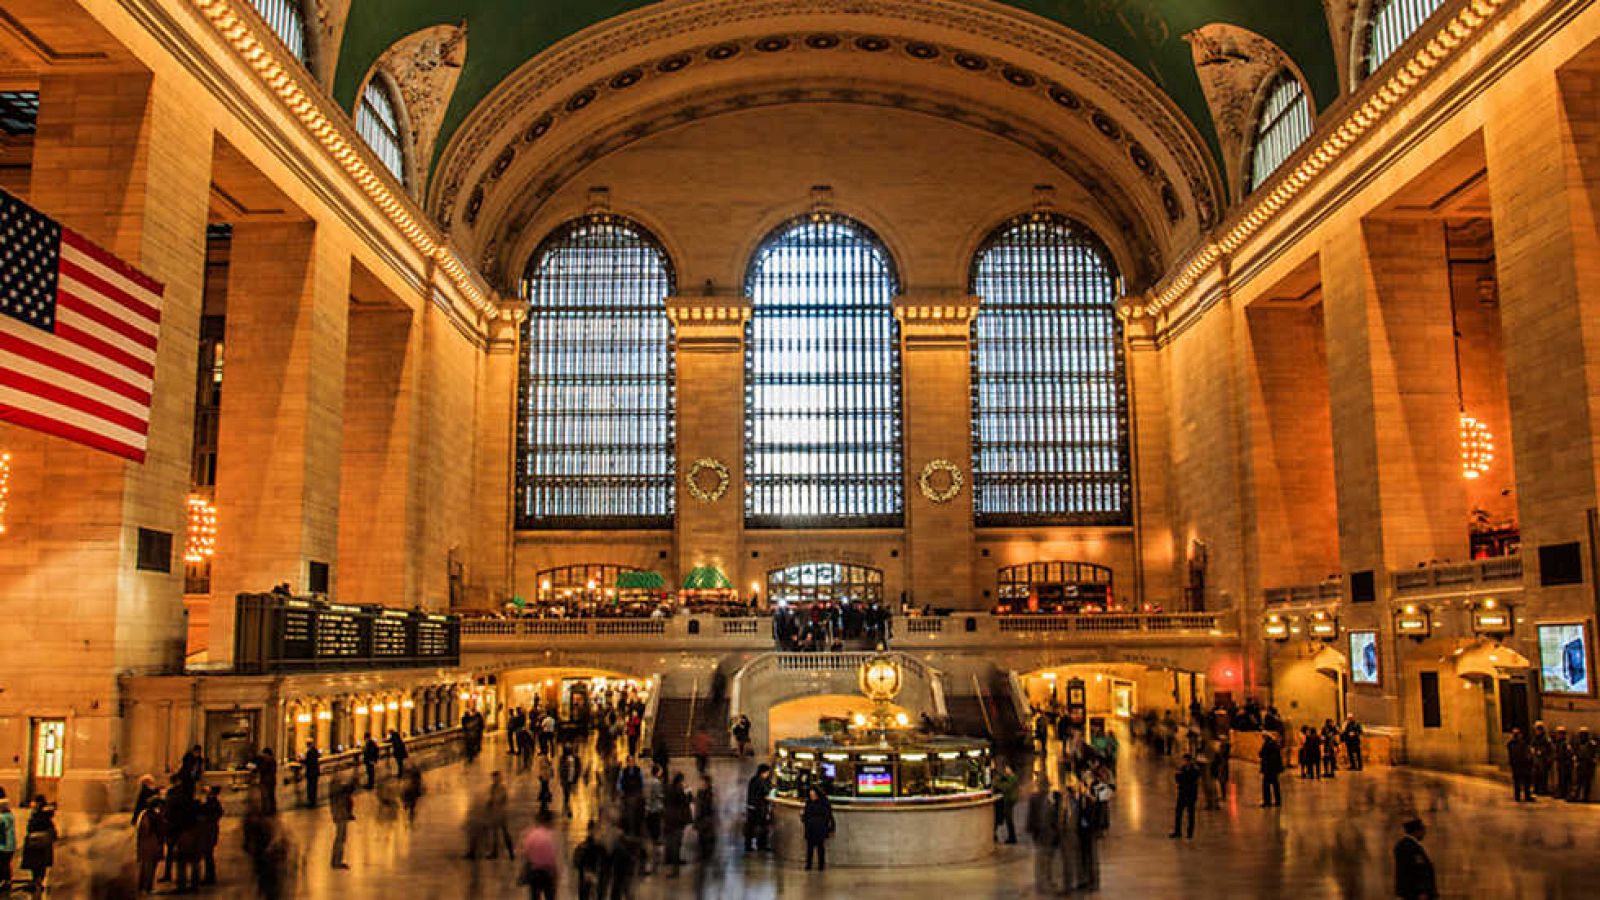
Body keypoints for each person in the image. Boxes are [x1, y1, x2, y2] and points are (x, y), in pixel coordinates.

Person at [1024, 779, 1058, 894]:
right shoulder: (1035, 798)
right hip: (1040, 833)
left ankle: (1048, 879)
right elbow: (1031, 816)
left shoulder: (1051, 798)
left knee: (1048, 858)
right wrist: (1031, 831)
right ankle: (1041, 882)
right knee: (1041, 859)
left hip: (1050, 833)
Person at [519, 812, 561, 900]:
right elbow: (553, 857)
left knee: (534, 896)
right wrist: (556, 874)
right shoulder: (552, 836)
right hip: (548, 873)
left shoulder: (531, 835)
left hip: (535, 872)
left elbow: (525, 852)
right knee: (550, 896)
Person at [1393, 817, 1436, 900]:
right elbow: (1414, 870)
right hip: (1414, 894)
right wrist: (1421, 891)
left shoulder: (1412, 845)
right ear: (1416, 831)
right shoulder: (1407, 846)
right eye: (1423, 830)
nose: (1424, 833)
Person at [20, 796, 56, 893]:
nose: (32, 803)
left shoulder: (38, 815)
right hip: (43, 845)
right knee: (41, 865)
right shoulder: (47, 816)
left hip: (35, 843)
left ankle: (36, 881)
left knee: (35, 864)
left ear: (38, 803)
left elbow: (31, 828)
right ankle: (38, 881)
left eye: (34, 801)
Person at [663, 772, 692, 877]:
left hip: (668, 819)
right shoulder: (679, 790)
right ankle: (675, 870)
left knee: (670, 842)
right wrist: (688, 791)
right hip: (678, 820)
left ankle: (669, 860)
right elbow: (687, 801)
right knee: (676, 844)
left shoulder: (668, 788)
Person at [134, 795, 166, 894]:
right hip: (151, 844)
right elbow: (151, 830)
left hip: (147, 844)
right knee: (149, 867)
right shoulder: (151, 816)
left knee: (146, 866)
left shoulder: (144, 814)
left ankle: (143, 887)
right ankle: (147, 887)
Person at [800, 785, 834, 871]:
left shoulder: (824, 802)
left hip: (820, 827)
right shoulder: (809, 802)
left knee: (820, 847)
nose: (812, 796)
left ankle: (821, 865)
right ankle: (809, 865)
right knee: (810, 848)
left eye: (813, 795)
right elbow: (806, 816)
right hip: (811, 827)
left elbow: (828, 816)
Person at [572, 819, 606, 900]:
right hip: (593, 876)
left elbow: (576, 863)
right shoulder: (599, 847)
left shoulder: (581, 846)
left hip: (585, 876)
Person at [744, 764, 773, 852]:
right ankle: (761, 845)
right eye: (767, 772)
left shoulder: (754, 779)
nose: (768, 774)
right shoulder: (760, 781)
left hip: (752, 806)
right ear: (763, 772)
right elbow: (766, 791)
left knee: (751, 827)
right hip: (758, 807)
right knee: (761, 826)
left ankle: (749, 845)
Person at [329, 774, 355, 869]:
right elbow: (345, 793)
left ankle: (337, 860)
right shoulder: (336, 790)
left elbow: (347, 793)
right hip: (340, 815)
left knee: (341, 838)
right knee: (340, 838)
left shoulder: (337, 789)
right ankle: (336, 861)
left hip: (342, 815)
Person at [1171, 754, 1200, 838]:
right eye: (1184, 760)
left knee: (1191, 814)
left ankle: (1190, 833)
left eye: (1187, 761)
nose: (1185, 762)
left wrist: (1182, 777)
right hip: (1182, 793)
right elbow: (1178, 779)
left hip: (1191, 794)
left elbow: (1189, 780)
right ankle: (1177, 831)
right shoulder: (1182, 769)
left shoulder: (1195, 771)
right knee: (1178, 813)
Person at [198, 785, 223, 886]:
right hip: (211, 831)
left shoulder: (211, 803)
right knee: (208, 855)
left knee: (208, 854)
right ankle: (209, 876)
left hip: (208, 831)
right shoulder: (213, 803)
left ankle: (209, 877)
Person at [993, 762, 1019, 844]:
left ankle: (1012, 838)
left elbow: (1005, 787)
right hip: (1008, 800)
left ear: (1011, 770)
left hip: (1009, 800)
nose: (1006, 770)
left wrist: (996, 783)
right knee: (1007, 819)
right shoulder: (1009, 777)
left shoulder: (1013, 778)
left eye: (1007, 768)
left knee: (1009, 819)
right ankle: (1011, 837)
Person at [1508, 728, 1535, 802]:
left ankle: (1519, 796)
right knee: (1523, 781)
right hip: (1521, 765)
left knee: (1520, 781)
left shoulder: (1512, 744)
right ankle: (1524, 796)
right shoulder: (1519, 744)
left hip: (1518, 765)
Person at [1259, 733, 1284, 807]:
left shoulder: (1267, 744)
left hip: (1268, 768)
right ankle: (1278, 801)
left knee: (1266, 785)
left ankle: (1267, 801)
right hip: (1274, 769)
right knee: (1275, 785)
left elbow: (1261, 754)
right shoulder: (1276, 745)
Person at [1574, 728, 1597, 803]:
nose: (1582, 736)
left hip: (1588, 765)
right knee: (1578, 782)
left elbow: (1594, 754)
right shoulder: (1579, 743)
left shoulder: (1591, 744)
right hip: (1581, 764)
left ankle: (1585, 797)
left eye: (1584, 734)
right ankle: (1576, 796)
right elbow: (1576, 753)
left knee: (1587, 783)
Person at [254, 747, 278, 814]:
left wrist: (257, 768)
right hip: (272, 779)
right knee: (271, 795)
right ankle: (273, 809)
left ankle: (265, 810)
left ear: (266, 753)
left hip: (265, 780)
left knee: (265, 795)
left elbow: (262, 769)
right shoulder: (273, 759)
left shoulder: (266, 760)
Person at [0, 797, 14, 893]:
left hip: (3, 845)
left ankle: (3, 881)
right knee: (6, 864)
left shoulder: (1, 818)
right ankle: (8, 881)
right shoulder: (10, 816)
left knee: (2, 864)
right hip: (11, 845)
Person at [302, 739, 322, 806]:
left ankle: (311, 800)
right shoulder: (315, 750)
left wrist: (301, 760)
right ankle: (313, 800)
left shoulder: (310, 752)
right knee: (314, 787)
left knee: (310, 787)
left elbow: (308, 762)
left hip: (311, 772)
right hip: (315, 772)